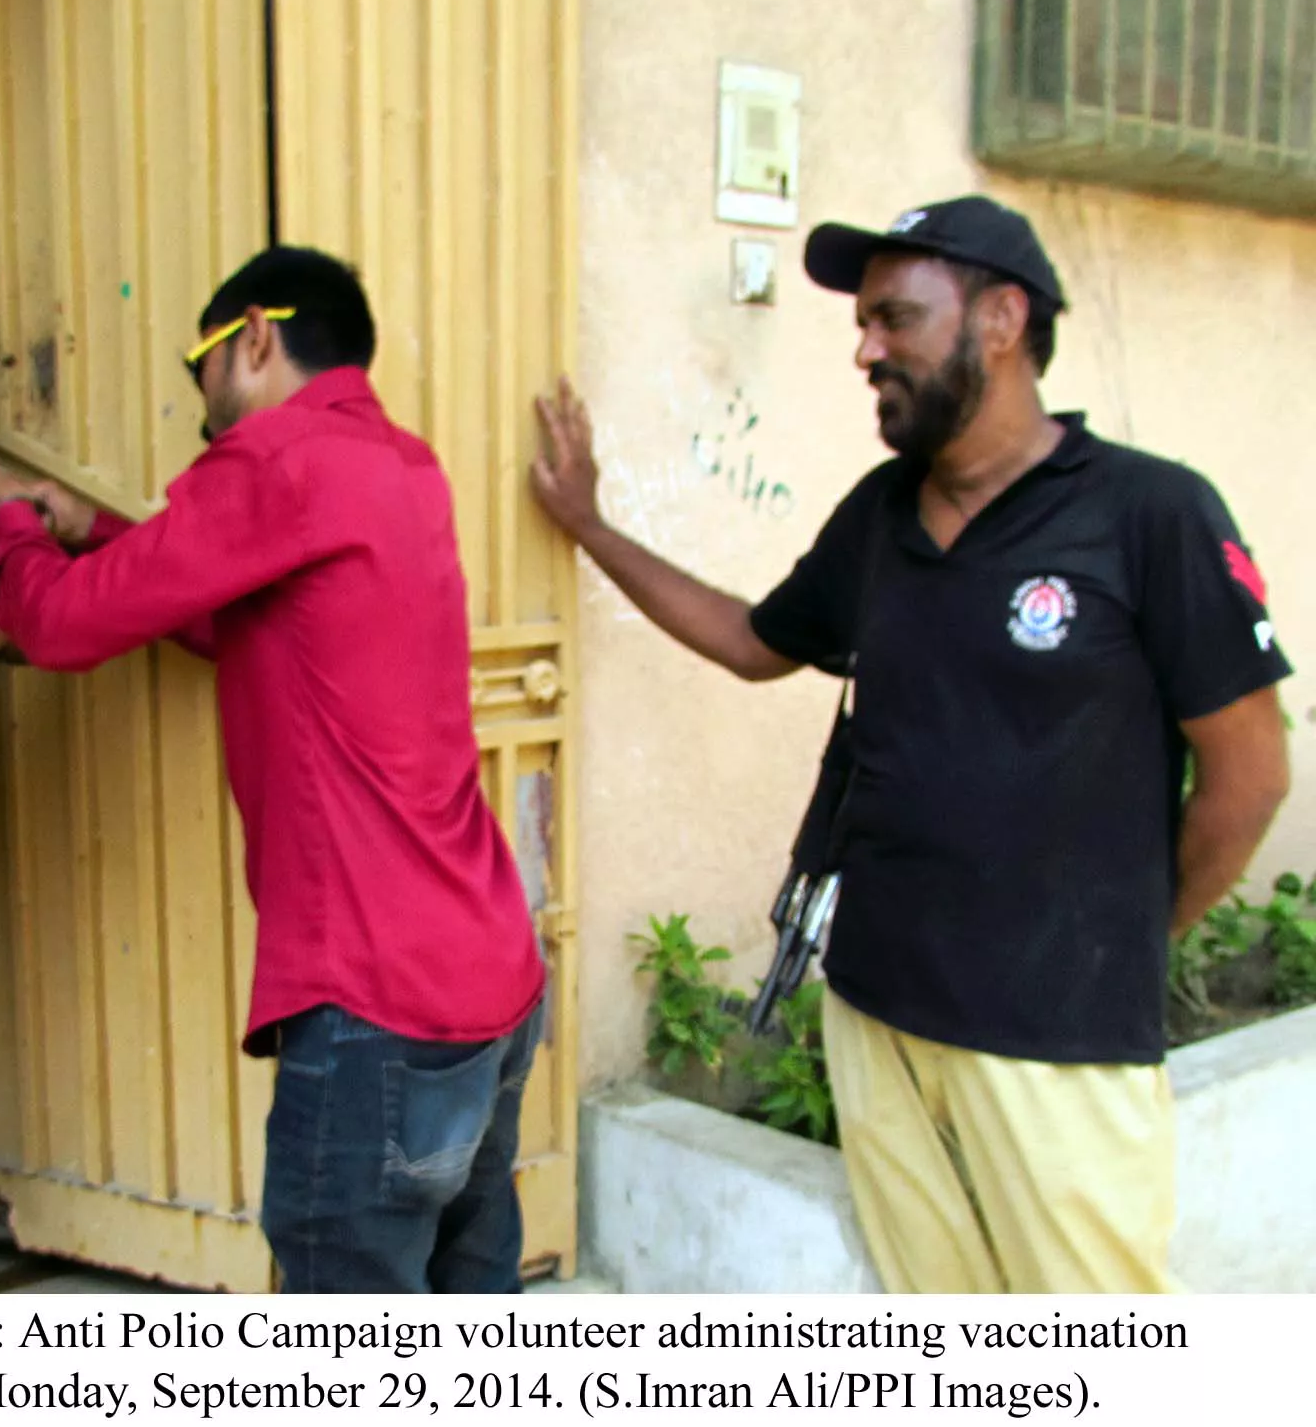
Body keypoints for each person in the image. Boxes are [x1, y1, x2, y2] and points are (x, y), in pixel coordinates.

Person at [532, 195, 1292, 1293]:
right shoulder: (881, 516)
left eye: (894, 318)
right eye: (862, 324)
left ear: (1001, 319)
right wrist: (590, 527)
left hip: (1057, 1046)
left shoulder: (1148, 513)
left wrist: (1125, 936)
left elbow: (1249, 776)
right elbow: (752, 642)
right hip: (876, 1018)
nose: (865, 350)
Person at [0, 247, 548, 1293]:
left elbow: (59, 624)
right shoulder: (402, 466)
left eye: (202, 367)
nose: (201, 405)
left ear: (256, 336)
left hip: (376, 1004)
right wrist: (90, 530)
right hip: (488, 975)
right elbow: (237, 613)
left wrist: (2, 520)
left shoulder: (279, 461)